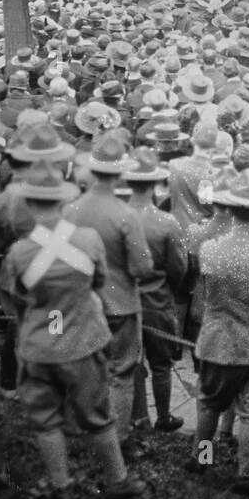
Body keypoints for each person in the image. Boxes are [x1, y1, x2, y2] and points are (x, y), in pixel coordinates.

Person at [0, 159, 149, 499]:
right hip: (82, 340)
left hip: (38, 346)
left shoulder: (19, 252)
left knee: (46, 419)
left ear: (30, 202)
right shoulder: (88, 239)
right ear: (62, 200)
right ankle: (117, 480)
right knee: (98, 414)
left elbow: (16, 299)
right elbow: (98, 282)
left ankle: (60, 486)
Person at [186, 169, 249, 495]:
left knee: (209, 405)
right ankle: (245, 473)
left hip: (218, 341)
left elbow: (205, 293)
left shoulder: (210, 250)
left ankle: (203, 459)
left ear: (229, 208)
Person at [62, 133, 153, 446]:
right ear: (120, 172)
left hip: (83, 300)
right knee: (122, 375)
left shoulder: (70, 210)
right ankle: (117, 441)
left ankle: (84, 431)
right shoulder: (126, 215)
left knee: (86, 367)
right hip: (121, 304)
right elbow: (143, 268)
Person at [122, 148, 188, 433]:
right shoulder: (166, 222)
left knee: (131, 364)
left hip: (124, 300)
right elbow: (179, 267)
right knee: (161, 364)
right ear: (153, 184)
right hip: (158, 300)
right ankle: (163, 416)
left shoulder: (118, 217)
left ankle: (138, 418)